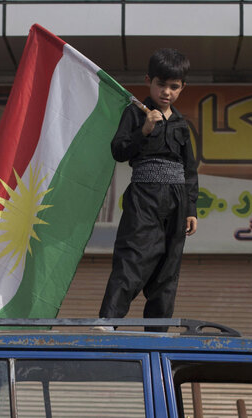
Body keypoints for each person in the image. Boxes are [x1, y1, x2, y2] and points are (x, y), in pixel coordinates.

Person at [97, 48, 198, 332]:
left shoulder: (181, 124)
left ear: (182, 87)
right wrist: (143, 130)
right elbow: (118, 150)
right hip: (144, 196)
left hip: (177, 201)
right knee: (133, 257)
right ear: (148, 81)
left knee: (168, 269)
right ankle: (106, 323)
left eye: (174, 87)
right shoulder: (134, 113)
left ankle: (158, 334)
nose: (166, 92)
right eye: (160, 84)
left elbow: (189, 169)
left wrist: (191, 209)